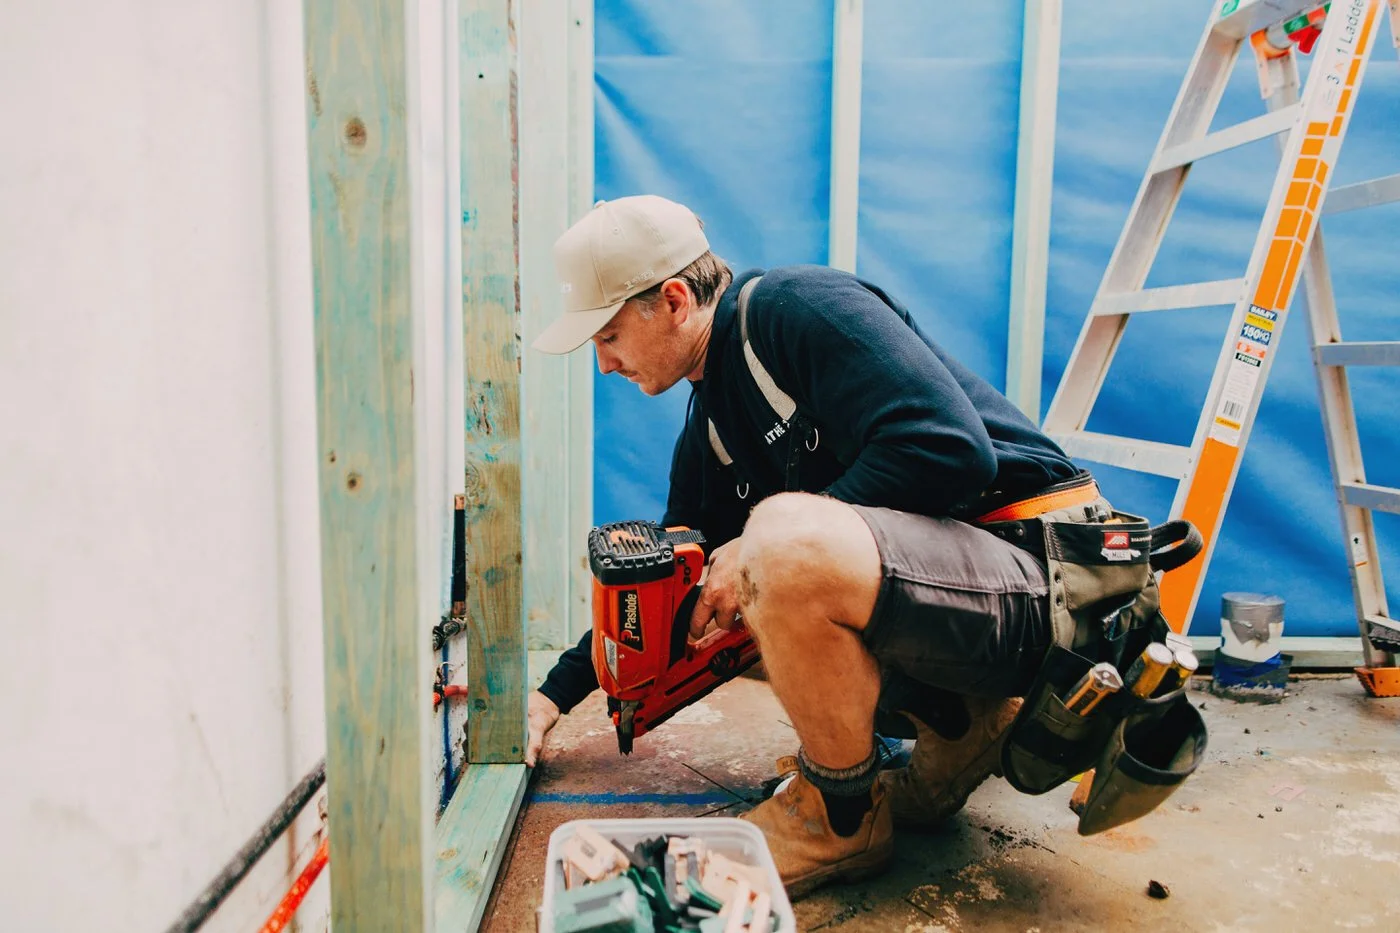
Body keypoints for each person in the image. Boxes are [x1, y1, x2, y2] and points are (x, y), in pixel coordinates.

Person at [525, 194, 1104, 898]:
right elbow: (668, 585)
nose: (604, 364)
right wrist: (550, 697)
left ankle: (839, 815)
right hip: (968, 598)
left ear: (673, 301)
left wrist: (759, 545)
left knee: (776, 545)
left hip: (1049, 576)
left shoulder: (794, 308)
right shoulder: (711, 425)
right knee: (744, 574)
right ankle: (961, 722)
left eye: (609, 336)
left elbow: (954, 450)